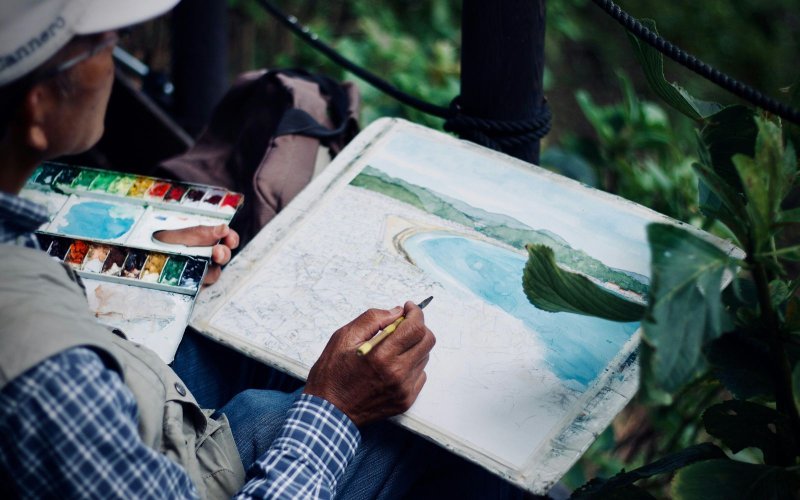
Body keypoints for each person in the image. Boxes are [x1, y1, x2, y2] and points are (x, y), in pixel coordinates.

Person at [0, 1, 524, 499]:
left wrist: (139, 255)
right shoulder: (46, 381)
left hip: (136, 388)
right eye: (101, 43)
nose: (114, 55)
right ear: (38, 108)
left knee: (271, 341)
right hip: (183, 465)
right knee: (461, 441)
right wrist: (334, 410)